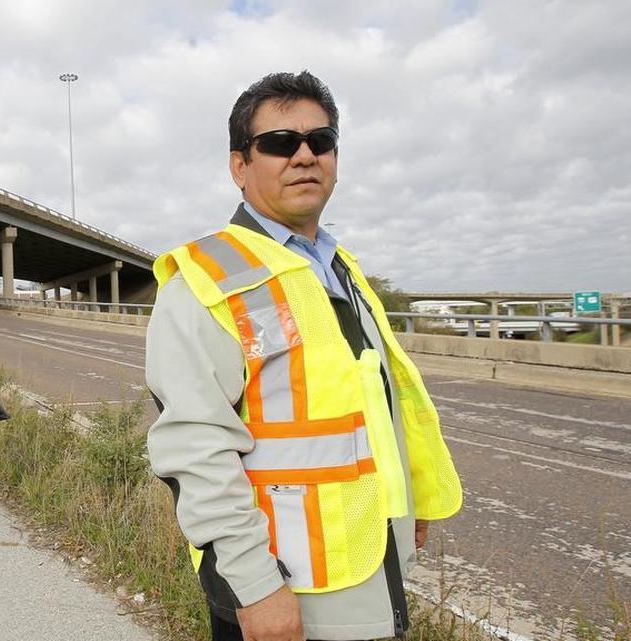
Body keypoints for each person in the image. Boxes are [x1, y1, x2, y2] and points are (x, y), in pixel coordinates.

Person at [144, 71, 463, 641]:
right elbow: (196, 449)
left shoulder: (339, 268)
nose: (305, 155)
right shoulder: (206, 279)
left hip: (363, 573)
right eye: (280, 143)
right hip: (281, 594)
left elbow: (377, 404)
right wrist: (255, 589)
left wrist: (414, 500)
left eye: (321, 140)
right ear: (240, 165)